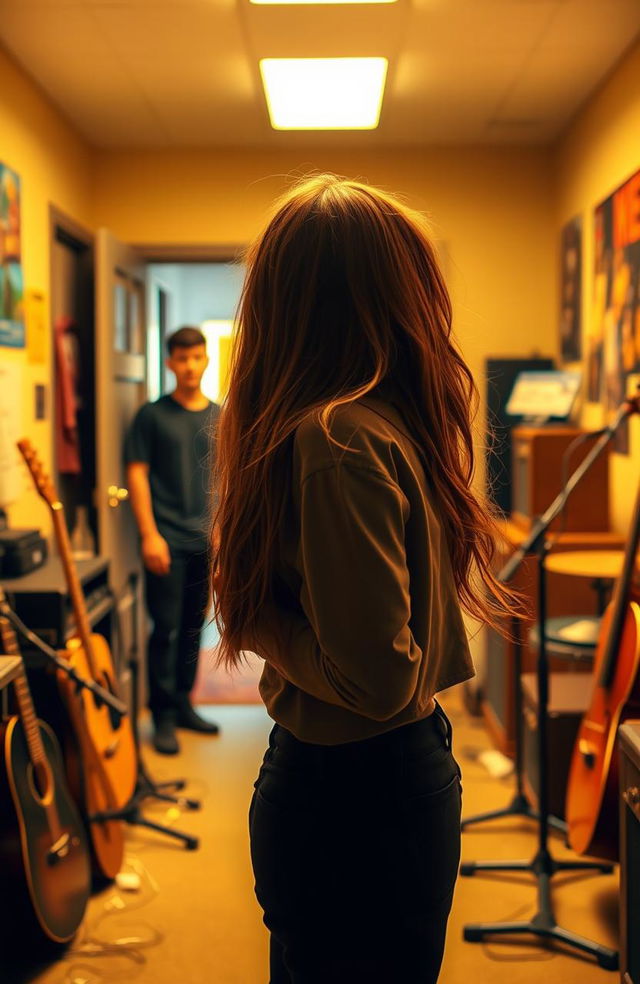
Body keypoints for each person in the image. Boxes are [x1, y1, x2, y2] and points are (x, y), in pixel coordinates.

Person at [212, 175, 522, 983]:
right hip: (371, 787)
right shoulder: (367, 425)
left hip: (353, 793)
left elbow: (377, 680)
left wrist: (253, 622)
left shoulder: (339, 438)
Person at [126, 325, 221, 755]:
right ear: (170, 363)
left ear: (205, 360)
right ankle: (161, 715)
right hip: (165, 541)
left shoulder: (219, 416)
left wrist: (223, 533)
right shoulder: (152, 415)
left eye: (196, 357)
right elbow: (137, 474)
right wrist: (149, 534)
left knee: (190, 628)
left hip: (206, 541)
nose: (189, 366)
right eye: (181, 359)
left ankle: (184, 703)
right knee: (163, 629)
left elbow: (227, 479)